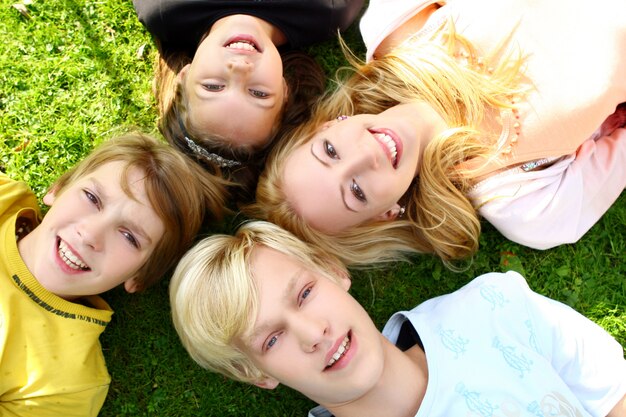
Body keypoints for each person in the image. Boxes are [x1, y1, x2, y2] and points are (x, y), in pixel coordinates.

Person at [247, 0, 626, 266]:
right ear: (386, 215)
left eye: (330, 151)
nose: (366, 154)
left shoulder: (391, 27)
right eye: (357, 191)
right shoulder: (521, 203)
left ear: (328, 125)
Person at [169, 221, 626, 417]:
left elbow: (612, 391)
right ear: (254, 373)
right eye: (271, 340)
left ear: (333, 270)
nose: (313, 334)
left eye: (305, 293)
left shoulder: (492, 308)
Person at [0, 132, 222, 416]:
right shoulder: (5, 198)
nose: (91, 234)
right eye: (92, 198)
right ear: (59, 188)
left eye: (130, 237)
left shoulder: (68, 382)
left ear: (140, 276)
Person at [133, 0, 364, 194]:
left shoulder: (162, 8)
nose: (240, 68)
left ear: (184, 75)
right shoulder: (328, 10)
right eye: (258, 93)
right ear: (284, 90)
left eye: (213, 87)